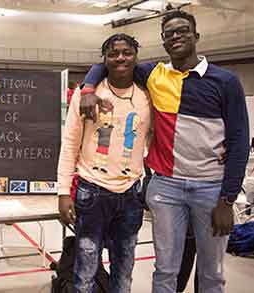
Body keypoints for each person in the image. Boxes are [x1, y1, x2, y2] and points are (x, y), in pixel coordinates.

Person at [82, 10, 250, 293]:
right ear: (164, 42)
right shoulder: (154, 74)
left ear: (196, 36)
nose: (176, 36)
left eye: (182, 30)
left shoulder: (226, 82)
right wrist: (88, 87)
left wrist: (227, 199)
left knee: (212, 276)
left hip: (210, 189)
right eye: (169, 33)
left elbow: (239, 141)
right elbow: (108, 64)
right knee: (165, 272)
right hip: (166, 188)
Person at [58, 33, 151, 293]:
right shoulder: (87, 94)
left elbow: (157, 136)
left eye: (127, 52)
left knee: (124, 271)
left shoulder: (147, 94)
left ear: (136, 57)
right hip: (92, 191)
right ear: (104, 59)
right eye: (113, 53)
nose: (120, 58)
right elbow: (70, 143)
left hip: (131, 193)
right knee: (85, 272)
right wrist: (63, 191)